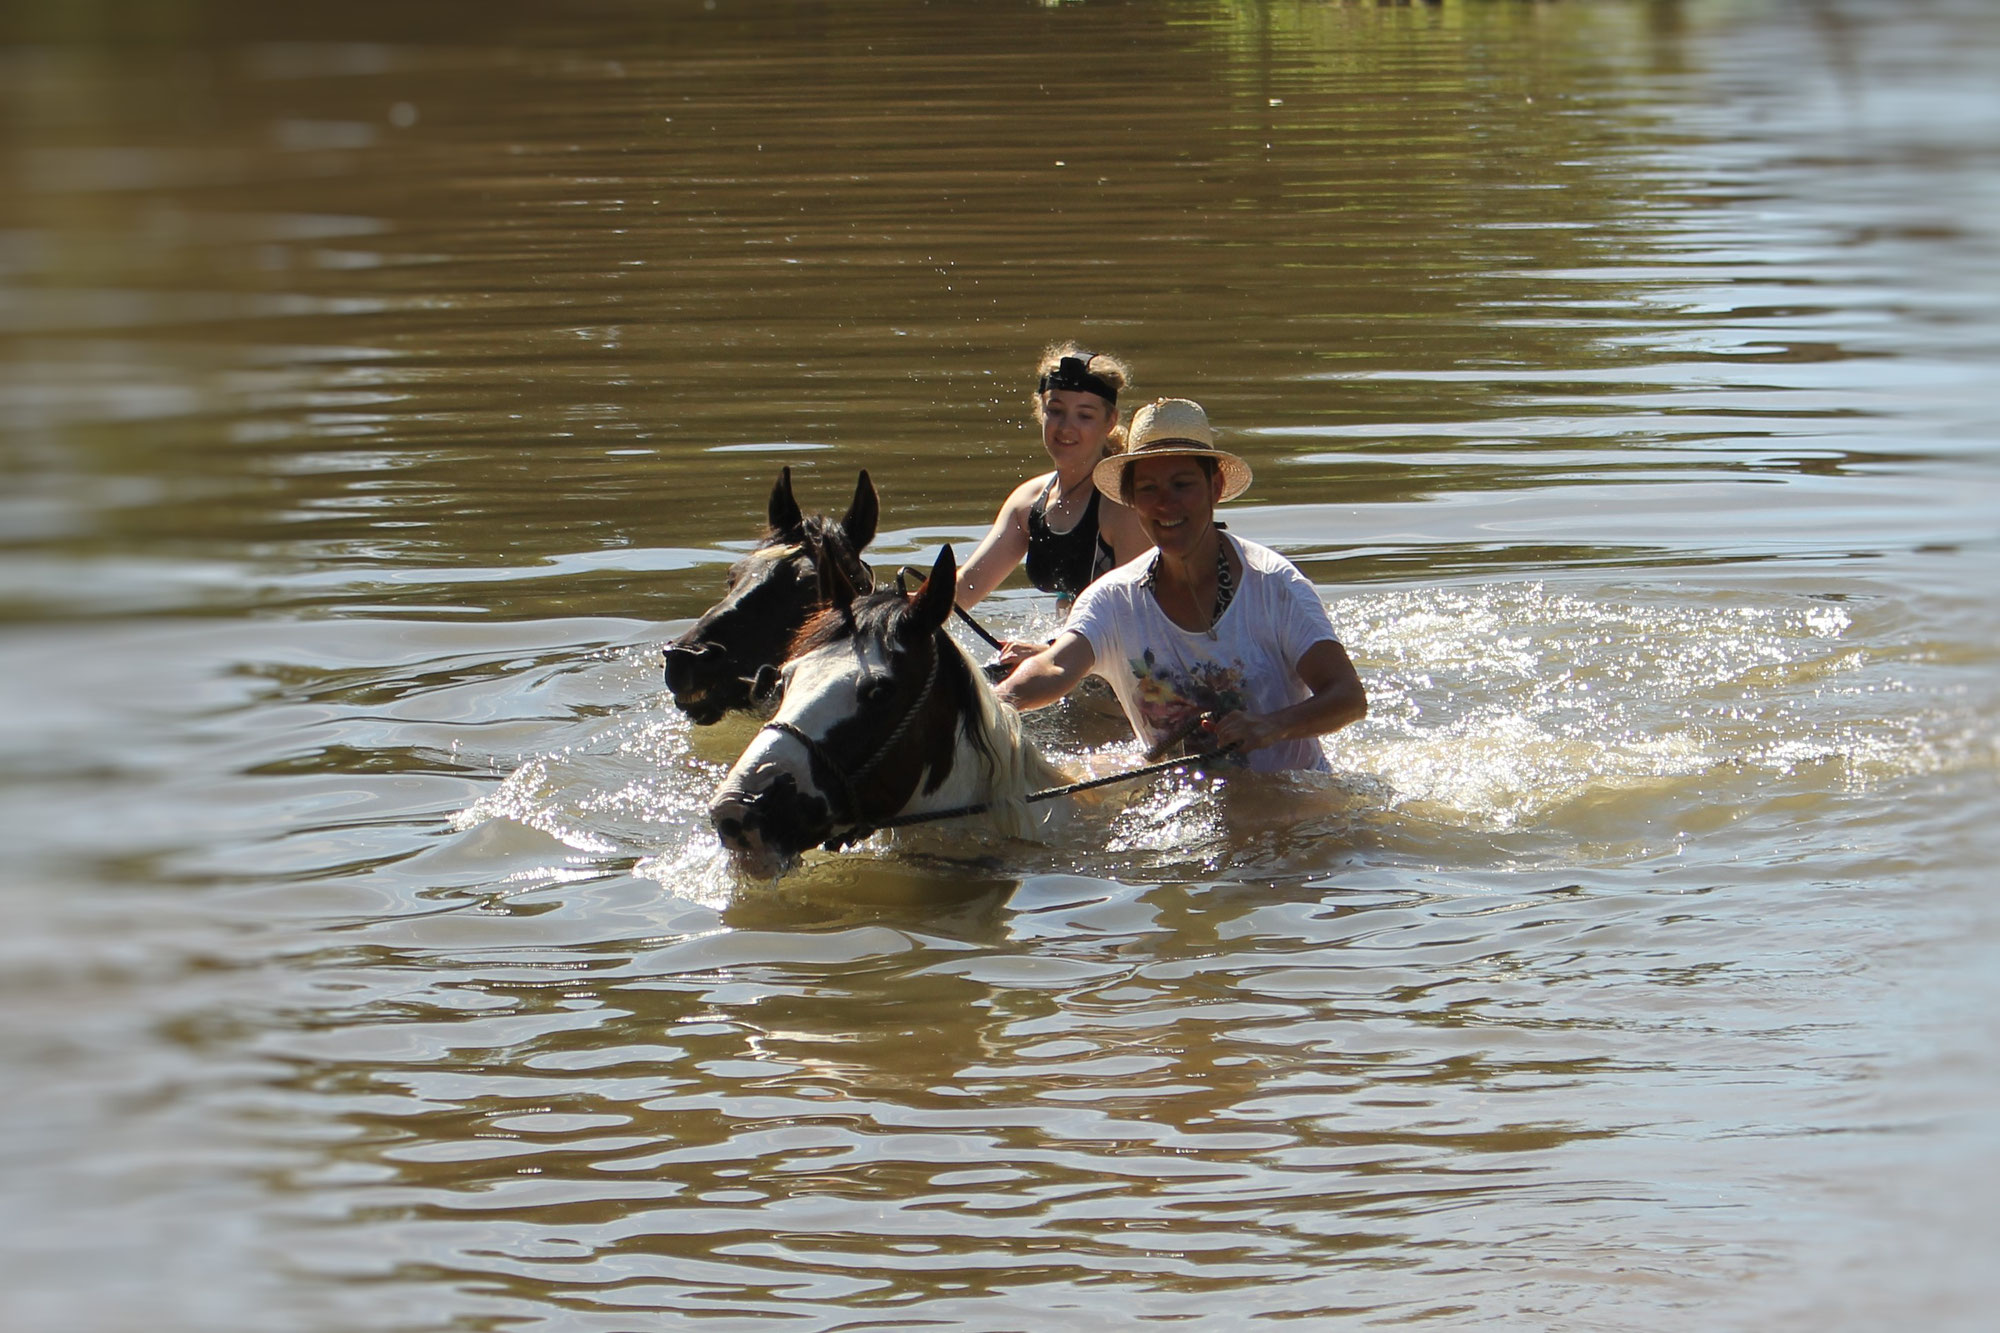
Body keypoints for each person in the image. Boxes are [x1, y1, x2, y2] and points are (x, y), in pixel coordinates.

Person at [995, 398, 1366, 773]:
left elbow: (1348, 697)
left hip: (1292, 801)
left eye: (1182, 484)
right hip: (1179, 802)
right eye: (1149, 489)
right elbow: (1055, 666)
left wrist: (1271, 726)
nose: (1165, 505)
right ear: (1130, 500)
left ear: (1215, 487)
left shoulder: (1275, 586)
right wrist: (998, 701)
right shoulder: (1112, 599)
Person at [955, 343, 1152, 663]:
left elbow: (1139, 619)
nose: (1065, 428)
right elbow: (962, 592)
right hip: (1070, 654)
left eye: (1084, 415)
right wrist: (888, 607)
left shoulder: (1121, 506)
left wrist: (1046, 653)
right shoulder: (1027, 502)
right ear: (1040, 412)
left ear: (1110, 421)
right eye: (1056, 411)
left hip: (1126, 664)